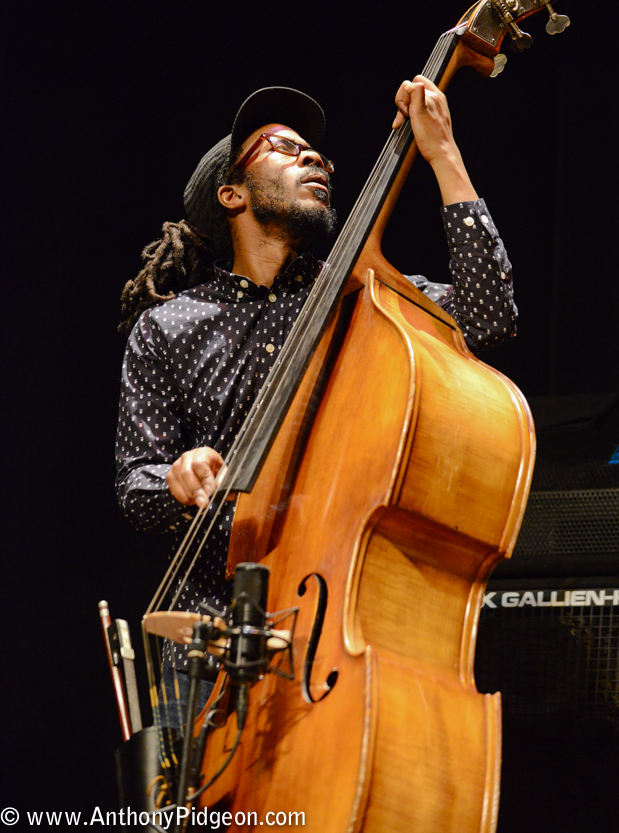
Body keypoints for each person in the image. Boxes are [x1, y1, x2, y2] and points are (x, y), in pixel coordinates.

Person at [115, 76, 517, 716]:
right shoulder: (168, 328)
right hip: (205, 641)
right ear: (232, 194)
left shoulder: (367, 301)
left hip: (331, 633)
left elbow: (489, 316)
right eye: (282, 146)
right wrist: (174, 477)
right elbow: (135, 485)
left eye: (319, 154)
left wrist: (444, 155)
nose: (312, 156)